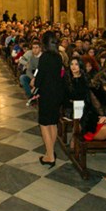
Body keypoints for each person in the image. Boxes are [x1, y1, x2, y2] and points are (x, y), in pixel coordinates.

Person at [34, 31, 67, 168]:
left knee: (44, 124)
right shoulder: (58, 57)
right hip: (57, 94)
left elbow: (39, 78)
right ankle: (50, 152)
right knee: (53, 123)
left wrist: (35, 85)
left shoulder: (44, 58)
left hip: (47, 94)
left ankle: (50, 156)